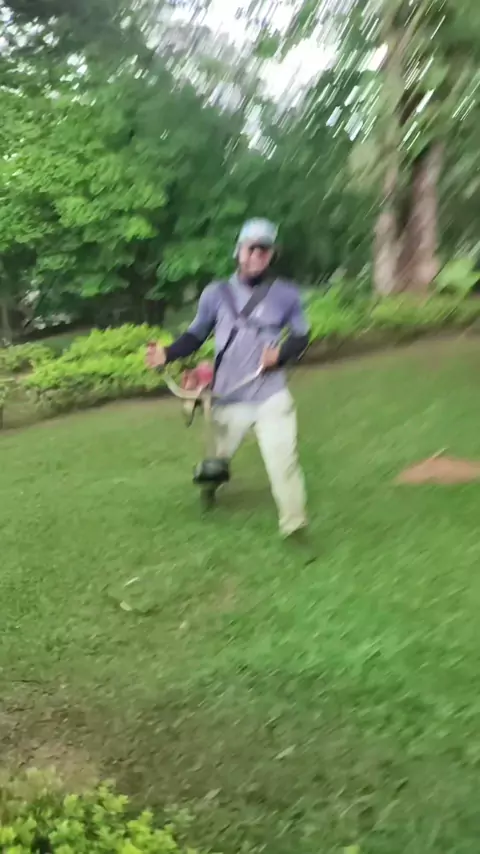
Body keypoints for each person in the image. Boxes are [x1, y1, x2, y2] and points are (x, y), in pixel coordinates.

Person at [146, 218, 311, 545]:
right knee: (216, 462)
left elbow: (302, 336)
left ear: (271, 255)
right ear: (239, 251)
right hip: (229, 397)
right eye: (252, 248)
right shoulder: (216, 294)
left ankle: (294, 523)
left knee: (284, 460)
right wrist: (167, 353)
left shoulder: (287, 295)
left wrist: (280, 355)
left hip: (270, 394)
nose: (258, 254)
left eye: (265, 250)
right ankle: (209, 488)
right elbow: (196, 335)